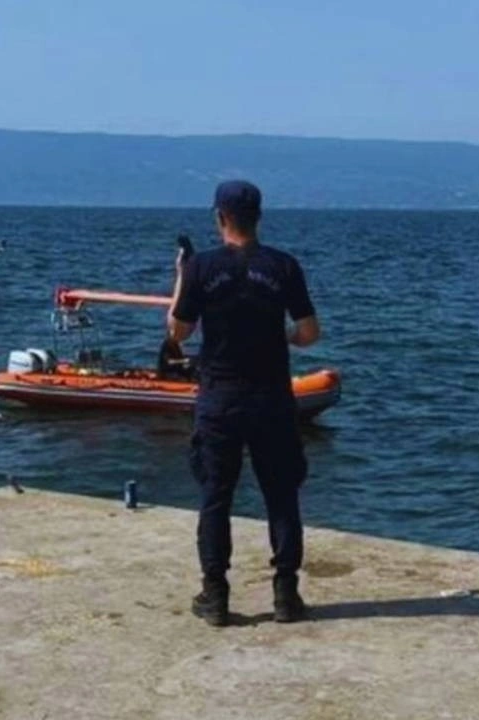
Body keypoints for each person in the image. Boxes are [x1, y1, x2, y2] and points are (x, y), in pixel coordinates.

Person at [167, 180, 321, 627]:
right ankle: (286, 594)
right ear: (259, 217)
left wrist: (181, 276)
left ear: (220, 218)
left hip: (220, 398)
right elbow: (309, 333)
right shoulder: (283, 266)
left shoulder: (200, 267)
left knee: (216, 496)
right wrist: (283, 335)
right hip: (272, 397)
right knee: (281, 495)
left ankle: (215, 595)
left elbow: (178, 333)